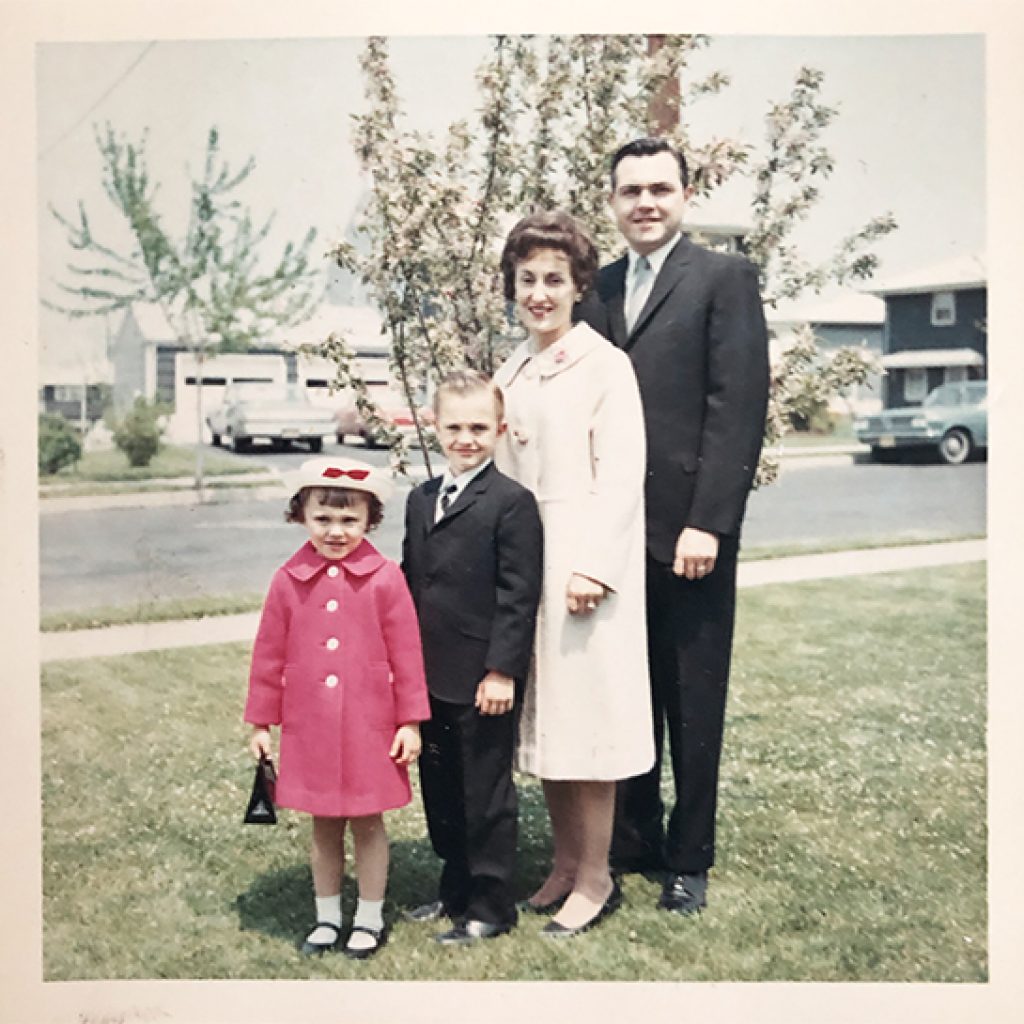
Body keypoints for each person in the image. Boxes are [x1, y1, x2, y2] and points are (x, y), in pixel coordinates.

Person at [578, 136, 770, 916]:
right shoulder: (598, 287)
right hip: (614, 534)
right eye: (631, 192)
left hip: (688, 534)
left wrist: (709, 523)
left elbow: (737, 407)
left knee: (692, 698)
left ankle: (689, 858)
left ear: (686, 196)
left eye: (660, 188)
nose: (645, 203)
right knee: (625, 693)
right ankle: (633, 837)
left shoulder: (723, 279)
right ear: (614, 203)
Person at [493, 210, 654, 937]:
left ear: (579, 286)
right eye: (527, 279)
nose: (539, 293)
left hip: (585, 569)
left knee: (589, 724)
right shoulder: (513, 369)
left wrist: (592, 566)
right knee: (550, 723)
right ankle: (561, 864)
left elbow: (621, 479)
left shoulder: (604, 366)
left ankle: (597, 875)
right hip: (531, 567)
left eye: (553, 279)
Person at [243, 456, 430, 959]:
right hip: (311, 728)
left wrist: (409, 721)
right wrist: (261, 721)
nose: (335, 531)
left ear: (370, 520)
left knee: (369, 823)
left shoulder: (386, 578)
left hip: (371, 726)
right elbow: (268, 654)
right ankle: (327, 918)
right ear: (299, 516)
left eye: (350, 521)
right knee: (323, 824)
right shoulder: (287, 580)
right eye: (322, 519)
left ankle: (368, 918)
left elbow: (407, 654)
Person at [401, 369, 544, 945]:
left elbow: (518, 593)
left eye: (479, 428)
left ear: (500, 430)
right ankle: (454, 883)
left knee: (484, 793)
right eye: (455, 426)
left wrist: (502, 669)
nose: (466, 438)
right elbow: (411, 582)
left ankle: (490, 905)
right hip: (427, 675)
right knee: (441, 787)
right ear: (434, 426)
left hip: (483, 677)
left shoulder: (511, 503)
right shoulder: (421, 498)